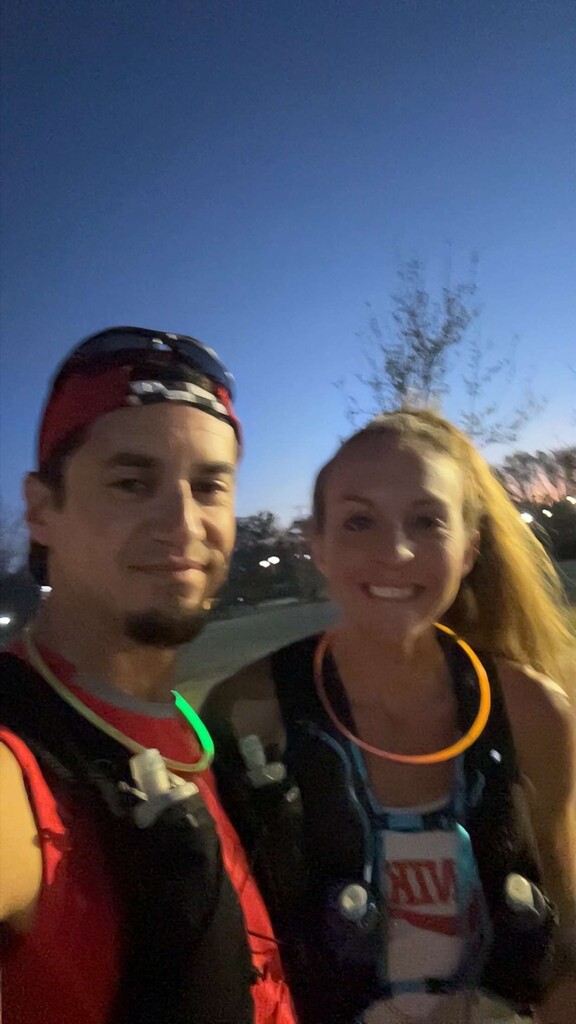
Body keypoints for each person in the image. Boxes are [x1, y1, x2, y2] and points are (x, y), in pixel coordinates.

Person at [203, 409, 576, 1024]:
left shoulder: (531, 711)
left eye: (427, 521)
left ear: (468, 548)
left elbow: (563, 940)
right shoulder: (247, 714)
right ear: (318, 546)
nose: (395, 551)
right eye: (359, 521)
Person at [0, 326, 296, 1024]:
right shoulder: (17, 759)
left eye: (209, 486)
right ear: (42, 511)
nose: (184, 523)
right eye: (132, 483)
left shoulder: (195, 725)